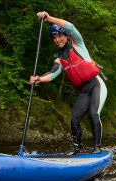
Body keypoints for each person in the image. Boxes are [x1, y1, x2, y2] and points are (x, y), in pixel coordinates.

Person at [29, 11, 107, 154]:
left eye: (60, 35)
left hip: (97, 84)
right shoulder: (60, 58)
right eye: (54, 37)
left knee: (94, 113)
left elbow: (70, 26)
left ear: (66, 36)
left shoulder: (78, 44)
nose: (57, 39)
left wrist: (49, 18)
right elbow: (52, 74)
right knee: (74, 118)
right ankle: (78, 149)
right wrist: (39, 78)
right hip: (84, 90)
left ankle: (97, 148)